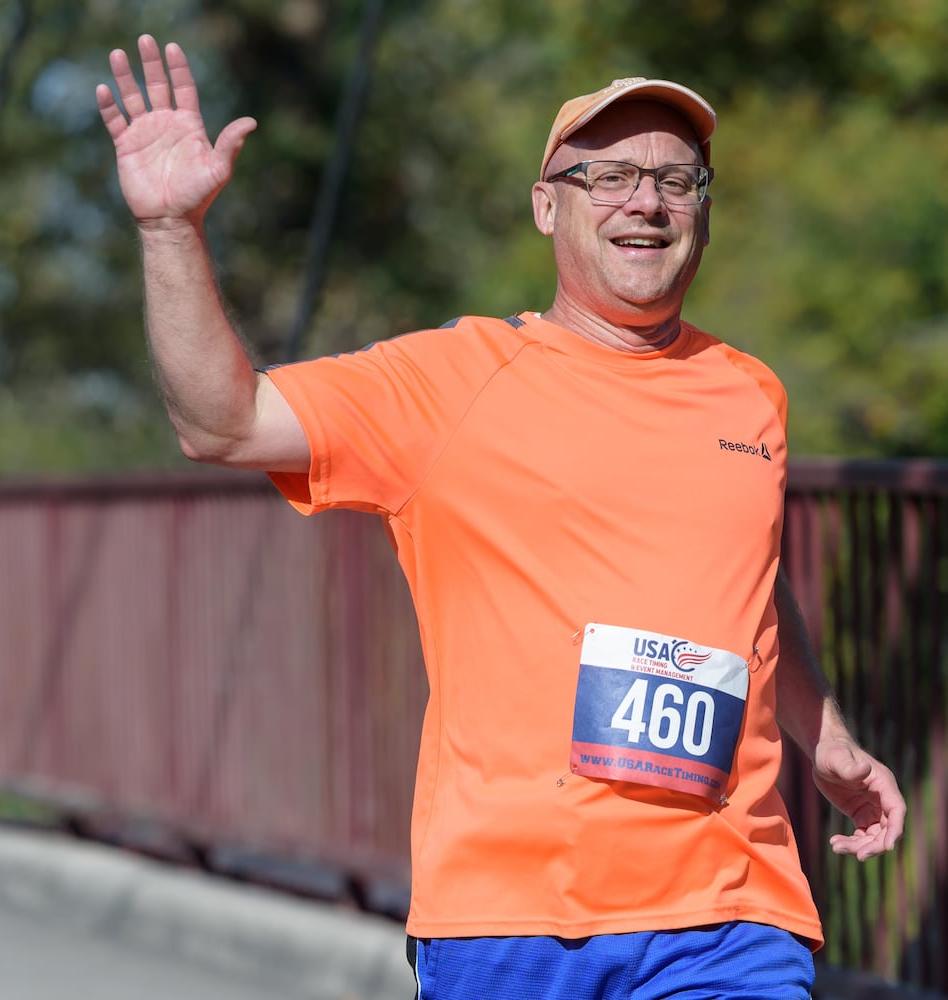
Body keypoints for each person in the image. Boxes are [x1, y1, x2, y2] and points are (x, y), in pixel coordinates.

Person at [97, 34, 906, 1000]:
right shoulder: (450, 383)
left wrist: (831, 737)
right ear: (545, 206)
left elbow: (752, 584)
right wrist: (169, 232)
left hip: (728, 909)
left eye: (677, 179)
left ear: (702, 208)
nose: (645, 201)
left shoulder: (750, 396)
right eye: (606, 176)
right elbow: (221, 424)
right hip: (511, 917)